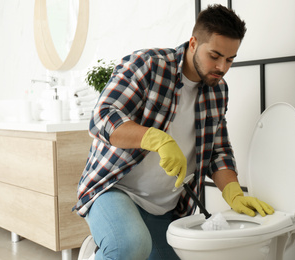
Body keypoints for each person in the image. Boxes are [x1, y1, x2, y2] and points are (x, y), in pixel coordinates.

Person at [75, 4, 274, 260]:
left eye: (230, 59)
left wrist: (233, 193)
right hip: (115, 188)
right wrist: (155, 138)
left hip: (165, 207)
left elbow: (218, 150)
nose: (222, 67)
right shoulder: (148, 65)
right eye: (214, 56)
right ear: (193, 43)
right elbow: (102, 117)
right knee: (130, 247)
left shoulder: (218, 90)